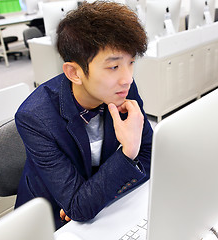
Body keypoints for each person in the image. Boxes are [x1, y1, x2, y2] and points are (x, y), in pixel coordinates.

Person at [14, 1, 153, 230]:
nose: (127, 78)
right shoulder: (34, 118)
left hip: (102, 208)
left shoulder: (122, 89)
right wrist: (128, 152)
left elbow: (149, 157)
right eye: (114, 67)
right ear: (75, 73)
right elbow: (78, 208)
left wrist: (93, 197)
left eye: (131, 63)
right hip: (50, 220)